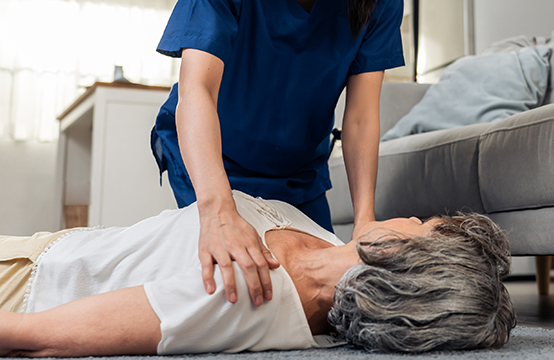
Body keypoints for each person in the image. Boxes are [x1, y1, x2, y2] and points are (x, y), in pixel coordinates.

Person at [0, 191, 516, 356]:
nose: (410, 215)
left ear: (400, 254)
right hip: (47, 246)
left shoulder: (249, 294)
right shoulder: (324, 238)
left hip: (23, 284)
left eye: (422, 224)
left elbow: (36, 337)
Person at [150, 0, 405, 307]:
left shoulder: (380, 4)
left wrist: (364, 220)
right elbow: (197, 89)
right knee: (237, 290)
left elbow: (361, 118)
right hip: (216, 158)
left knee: (327, 292)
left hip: (298, 172)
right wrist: (217, 211)